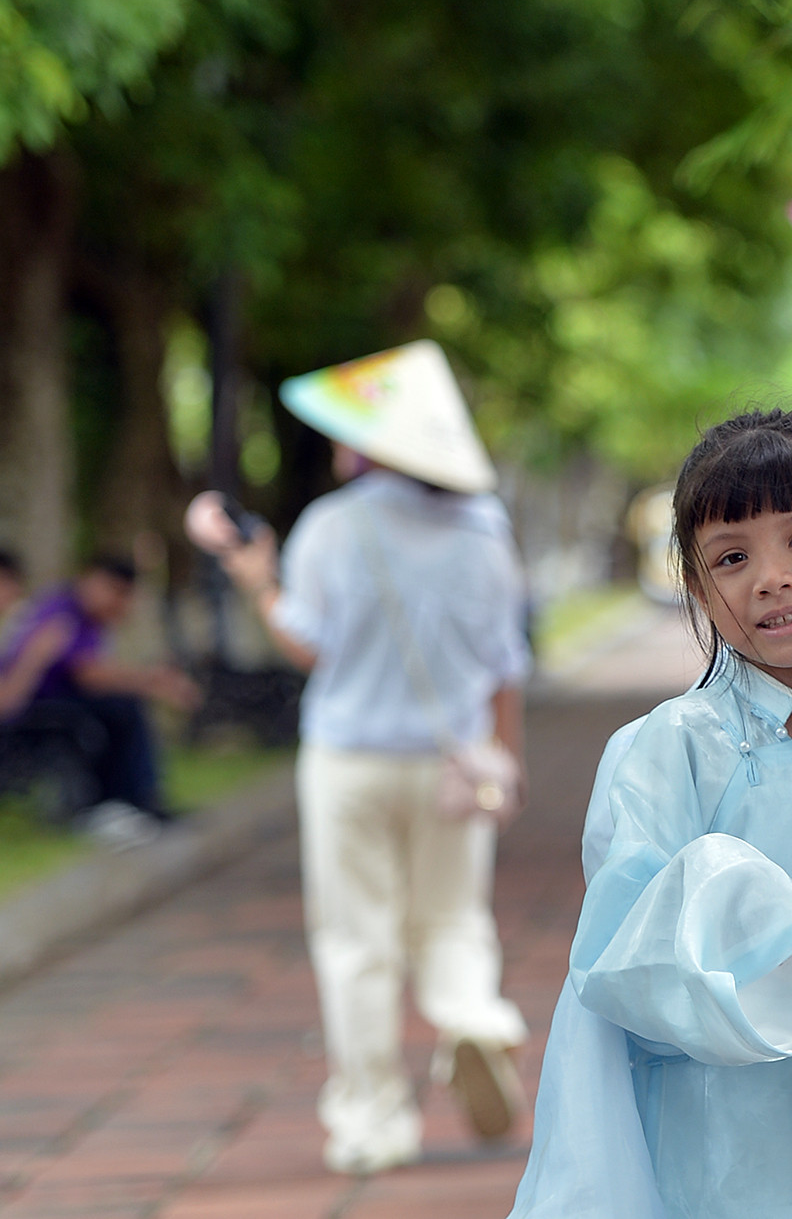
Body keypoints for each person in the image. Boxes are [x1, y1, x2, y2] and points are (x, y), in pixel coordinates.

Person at [509, 408, 792, 1219]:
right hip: (733, 1121)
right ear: (695, 584)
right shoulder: (675, 747)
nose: (771, 578)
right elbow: (622, 958)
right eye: (731, 557)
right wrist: (758, 945)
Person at [211, 341, 534, 1175]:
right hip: (454, 763)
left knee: (358, 940)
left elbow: (307, 644)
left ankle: (373, 1121)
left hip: (350, 759)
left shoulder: (332, 524)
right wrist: (507, 759)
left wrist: (258, 580)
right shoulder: (485, 528)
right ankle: (471, 1016)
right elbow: (505, 662)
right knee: (453, 916)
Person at [0, 555, 200, 843]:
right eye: (115, 591)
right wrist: (152, 682)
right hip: (35, 712)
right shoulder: (60, 611)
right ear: (90, 579)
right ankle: (120, 802)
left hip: (54, 706)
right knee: (119, 709)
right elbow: (86, 674)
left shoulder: (85, 618)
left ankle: (135, 800)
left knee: (120, 708)